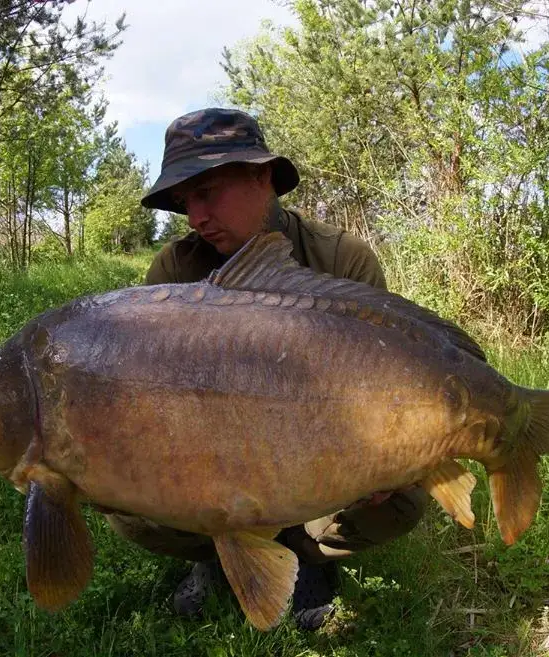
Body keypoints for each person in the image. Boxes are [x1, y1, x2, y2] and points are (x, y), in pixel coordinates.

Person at [103, 107, 428, 631]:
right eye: (186, 202)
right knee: (122, 499)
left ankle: (302, 559)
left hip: (322, 451)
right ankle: (215, 556)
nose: (196, 217)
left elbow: (380, 383)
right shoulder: (174, 271)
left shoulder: (344, 260)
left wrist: (384, 456)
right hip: (213, 456)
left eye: (207, 192)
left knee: (403, 499)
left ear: (263, 176)